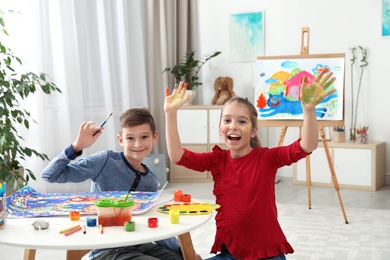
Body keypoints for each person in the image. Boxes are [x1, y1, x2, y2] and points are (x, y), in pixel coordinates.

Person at [164, 70, 336, 260]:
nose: (233, 126)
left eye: (242, 121)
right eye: (227, 120)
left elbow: (306, 146)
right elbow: (177, 156)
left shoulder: (267, 158)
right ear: (220, 128)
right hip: (231, 253)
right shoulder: (216, 160)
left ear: (253, 131)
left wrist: (309, 111)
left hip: (267, 254)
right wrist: (170, 114)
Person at [41, 108, 183, 260]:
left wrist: (184, 251)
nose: (137, 144)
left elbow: (152, 224)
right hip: (108, 249)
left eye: (144, 137)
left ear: (154, 137)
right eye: (130, 138)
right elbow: (50, 175)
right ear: (120, 140)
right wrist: (76, 147)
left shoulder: (151, 180)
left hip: (140, 243)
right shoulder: (105, 161)